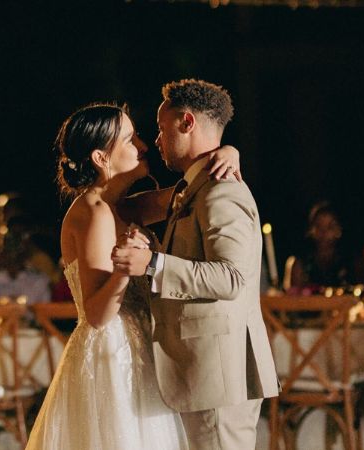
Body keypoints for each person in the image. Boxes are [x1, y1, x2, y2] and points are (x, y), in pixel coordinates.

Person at [26, 102, 241, 449]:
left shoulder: (123, 206)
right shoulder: (94, 213)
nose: (143, 145)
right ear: (100, 157)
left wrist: (229, 151)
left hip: (140, 348)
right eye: (130, 138)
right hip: (114, 356)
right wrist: (125, 270)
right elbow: (95, 315)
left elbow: (189, 193)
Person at [112, 79, 279, 449]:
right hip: (204, 376)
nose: (155, 140)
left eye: (160, 127)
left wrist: (154, 263)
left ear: (186, 123)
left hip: (219, 377)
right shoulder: (196, 185)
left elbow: (233, 278)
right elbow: (130, 208)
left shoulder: (222, 189)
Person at [285, 201, 364, 294]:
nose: (323, 233)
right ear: (311, 230)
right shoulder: (301, 261)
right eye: (318, 226)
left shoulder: (352, 258)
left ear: (339, 229)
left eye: (330, 227)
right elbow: (294, 298)